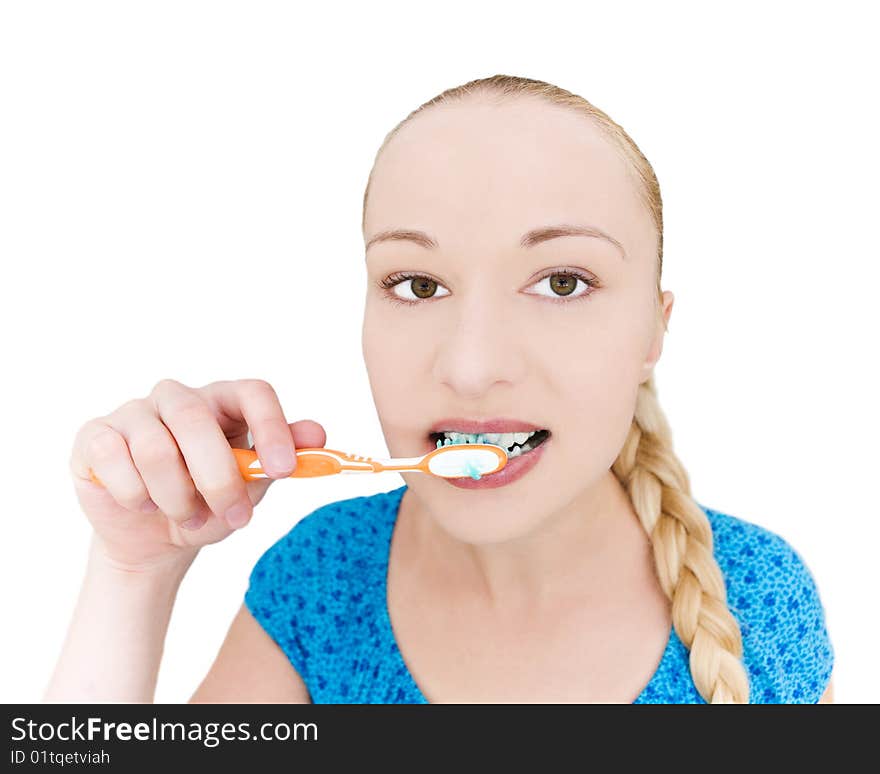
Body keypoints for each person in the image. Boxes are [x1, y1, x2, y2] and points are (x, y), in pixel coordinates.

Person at [48, 74, 834, 704]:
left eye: (563, 281)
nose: (470, 363)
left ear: (653, 332)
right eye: (418, 285)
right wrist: (131, 571)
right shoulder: (324, 582)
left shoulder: (759, 601)